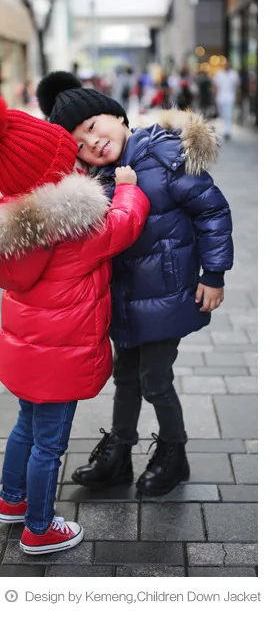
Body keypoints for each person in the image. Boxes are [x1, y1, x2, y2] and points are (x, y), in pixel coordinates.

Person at [0, 88, 150, 554]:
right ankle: (40, 527)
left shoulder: (8, 223)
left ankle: (12, 500)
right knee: (50, 446)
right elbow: (124, 224)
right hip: (62, 358)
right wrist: (128, 188)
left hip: (24, 356)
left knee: (25, 427)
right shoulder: (76, 225)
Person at [36, 71, 233, 497]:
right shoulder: (96, 181)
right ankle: (119, 453)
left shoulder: (165, 155)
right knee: (125, 377)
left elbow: (212, 213)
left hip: (168, 293)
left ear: (116, 115)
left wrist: (214, 275)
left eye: (92, 128)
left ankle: (174, 454)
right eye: (80, 145)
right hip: (123, 299)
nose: (93, 143)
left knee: (155, 379)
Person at [212, 61, 241, 140]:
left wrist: (238, 98)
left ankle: (227, 132)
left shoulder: (234, 74)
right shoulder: (219, 74)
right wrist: (214, 96)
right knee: (223, 114)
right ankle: (224, 129)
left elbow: (237, 86)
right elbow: (215, 86)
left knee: (228, 115)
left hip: (230, 97)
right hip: (220, 97)